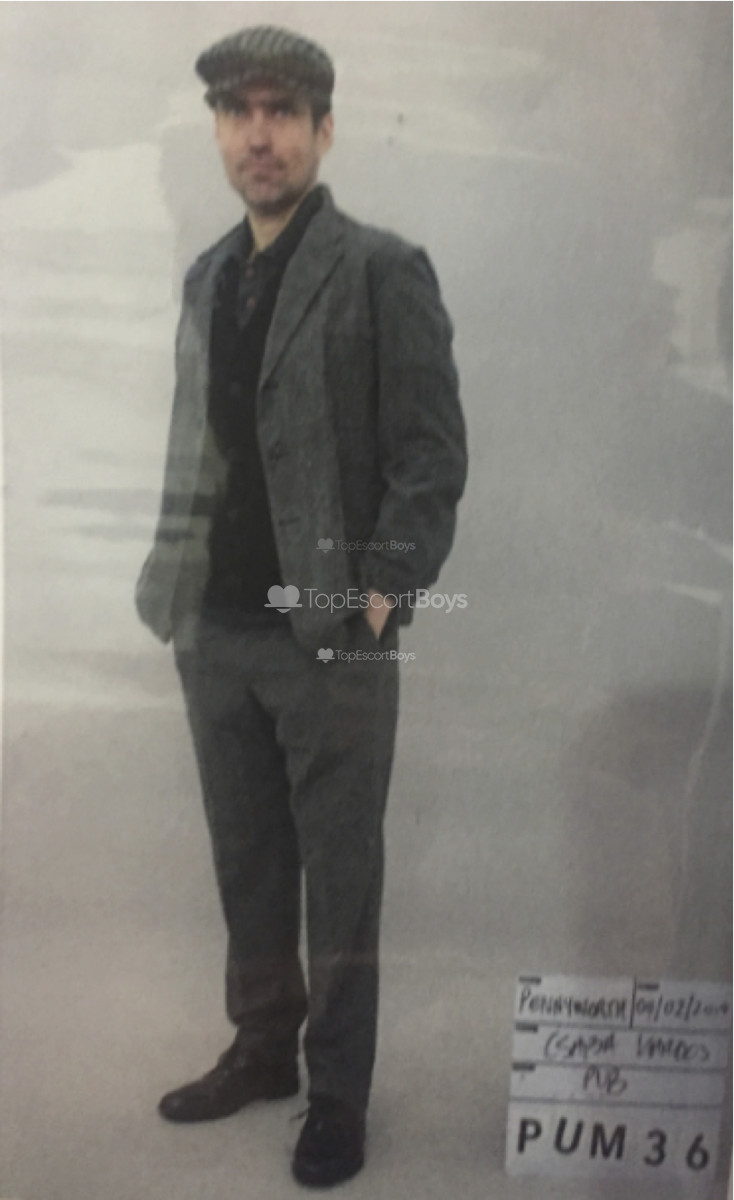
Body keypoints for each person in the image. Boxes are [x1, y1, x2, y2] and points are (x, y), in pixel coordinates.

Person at [135, 24, 467, 1188]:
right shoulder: (207, 276)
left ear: (324, 129)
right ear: (217, 132)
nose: (258, 135)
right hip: (214, 630)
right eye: (238, 113)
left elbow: (429, 457)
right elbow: (198, 445)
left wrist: (373, 601)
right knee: (248, 864)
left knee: (341, 880)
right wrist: (172, 591)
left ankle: (335, 1094)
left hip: (327, 636)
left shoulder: (380, 270)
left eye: (281, 112)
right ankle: (262, 1047)